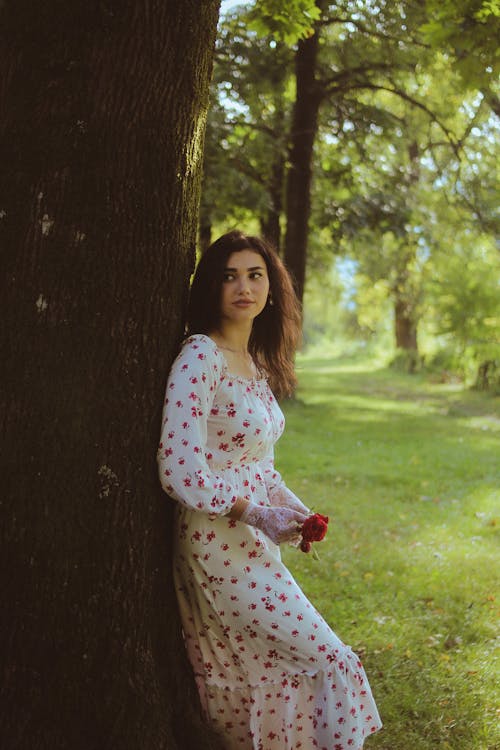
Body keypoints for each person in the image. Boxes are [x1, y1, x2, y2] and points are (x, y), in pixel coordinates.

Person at [157, 230, 382, 749]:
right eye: (229, 275)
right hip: (215, 542)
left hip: (250, 538)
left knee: (271, 662)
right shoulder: (200, 357)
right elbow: (179, 470)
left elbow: (261, 467)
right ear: (210, 287)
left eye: (255, 275)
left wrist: (296, 513)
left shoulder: (255, 363)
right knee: (324, 656)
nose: (243, 286)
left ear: (271, 288)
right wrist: (254, 514)